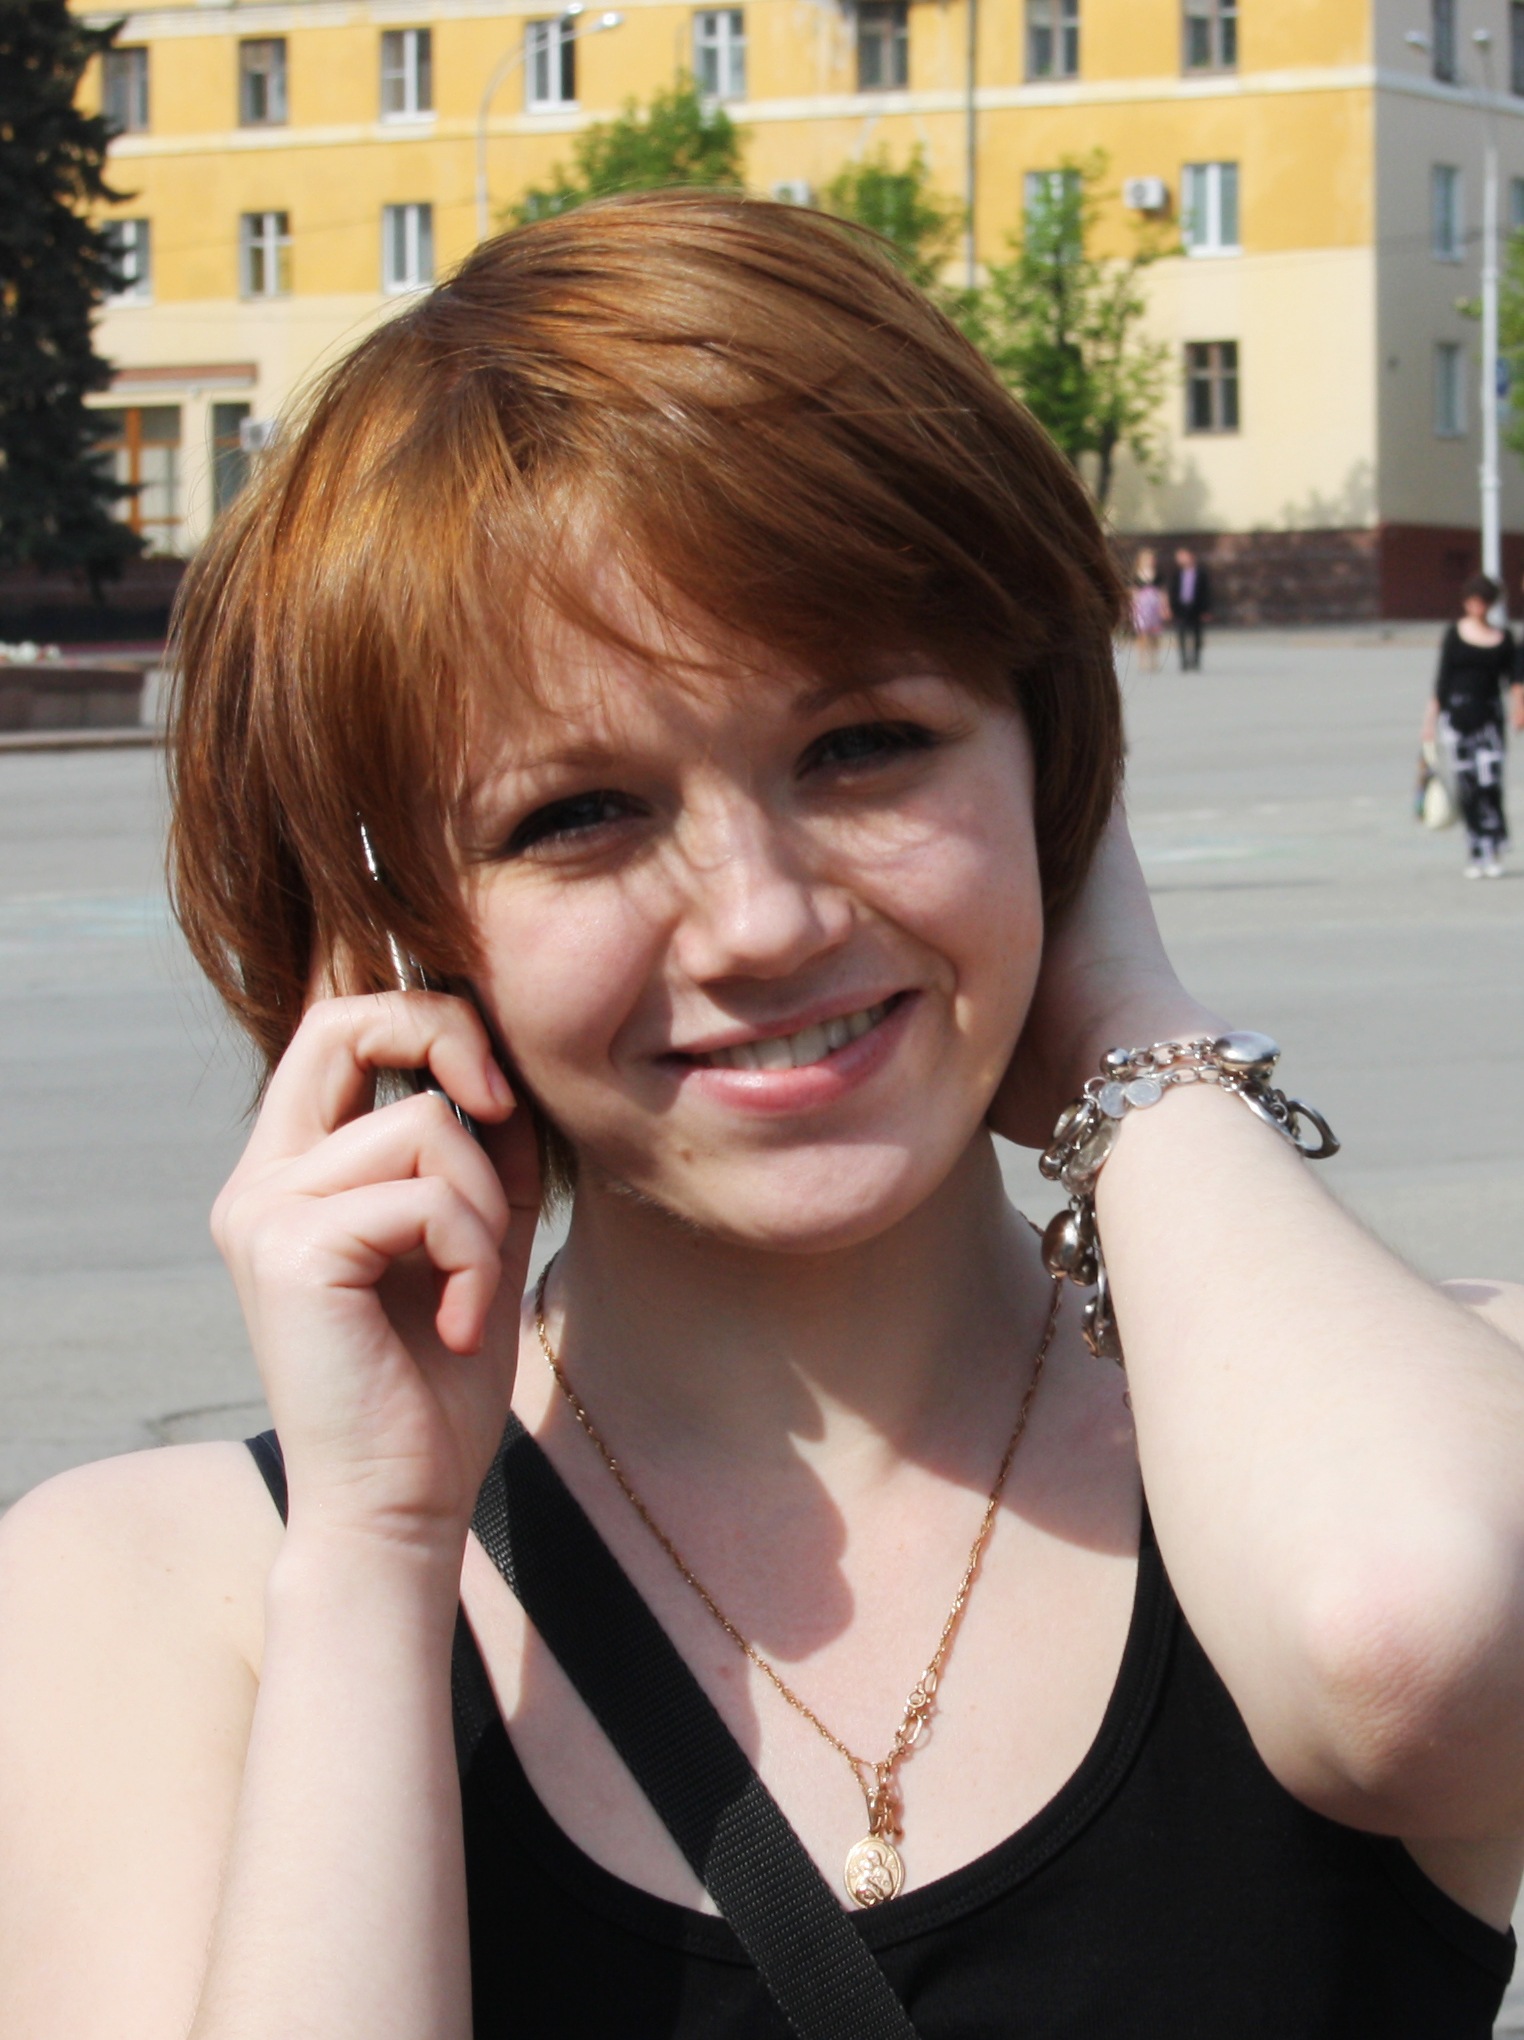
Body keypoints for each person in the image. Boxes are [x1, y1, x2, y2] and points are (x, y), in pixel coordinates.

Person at [1, 194, 1523, 2040]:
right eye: (577, 816)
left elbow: (1412, 1645)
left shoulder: (1396, 1428)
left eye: (865, 745)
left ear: (1050, 761)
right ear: (403, 931)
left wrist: (1126, 1025)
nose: (763, 920)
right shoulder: (158, 1599)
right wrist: (377, 1558)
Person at [1422, 572, 1524, 878]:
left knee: (1489, 783)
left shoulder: (1504, 638)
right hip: (1457, 719)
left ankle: (1494, 845)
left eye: (1482, 601)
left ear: (1490, 604)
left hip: (1489, 720)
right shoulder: (1454, 634)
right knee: (1468, 785)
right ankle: (1476, 849)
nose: (1476, 606)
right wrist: (1430, 722)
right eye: (1472, 601)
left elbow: (1516, 680)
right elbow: (1442, 680)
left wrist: (1519, 709)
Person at [1167, 544, 1212, 670]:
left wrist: (1206, 610)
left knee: (1197, 635)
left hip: (1196, 608)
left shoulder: (1201, 573)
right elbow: (1172, 592)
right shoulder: (1176, 574)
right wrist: (1171, 608)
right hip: (1180, 608)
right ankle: (1184, 661)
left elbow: (1206, 592)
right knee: (1181, 634)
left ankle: (1196, 661)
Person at [1128, 547, 1171, 673]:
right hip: (1141, 607)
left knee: (1154, 634)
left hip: (1155, 606)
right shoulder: (1136, 575)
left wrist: (1165, 607)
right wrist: (1132, 606)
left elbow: (1163, 592)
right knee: (1142, 634)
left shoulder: (1159, 575)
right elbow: (1132, 591)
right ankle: (1142, 659)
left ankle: (1154, 658)